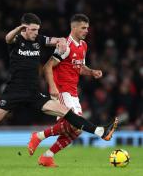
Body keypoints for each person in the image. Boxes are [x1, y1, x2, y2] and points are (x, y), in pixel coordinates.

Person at [0, 13, 117, 147]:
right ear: (24, 28)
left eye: (38, 29)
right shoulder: (16, 40)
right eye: (33, 29)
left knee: (67, 112)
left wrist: (61, 40)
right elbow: (7, 38)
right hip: (14, 92)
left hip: (33, 93)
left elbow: (53, 40)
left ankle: (100, 131)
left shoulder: (38, 40)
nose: (36, 33)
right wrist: (18, 29)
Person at [28, 14, 118, 167]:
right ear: (74, 27)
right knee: (75, 123)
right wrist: (53, 87)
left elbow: (79, 67)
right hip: (62, 90)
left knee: (77, 130)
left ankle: (47, 156)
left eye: (87, 28)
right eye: (83, 28)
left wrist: (92, 72)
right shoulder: (65, 46)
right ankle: (39, 136)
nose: (86, 31)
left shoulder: (83, 45)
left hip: (73, 91)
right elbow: (47, 66)